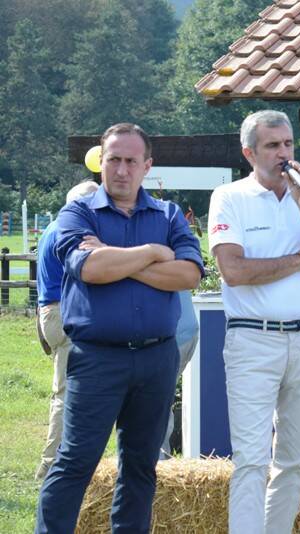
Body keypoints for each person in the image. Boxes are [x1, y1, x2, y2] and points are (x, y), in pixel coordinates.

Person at [35, 123, 203, 533]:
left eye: (131, 161)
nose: (122, 170)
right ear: (102, 163)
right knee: (75, 462)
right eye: (114, 160)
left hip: (156, 358)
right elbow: (89, 268)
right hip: (97, 359)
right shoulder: (77, 213)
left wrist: (120, 263)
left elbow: (189, 275)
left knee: (141, 467)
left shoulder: (167, 214)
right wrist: (150, 253)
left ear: (147, 166)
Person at [208, 110, 300, 534]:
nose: (284, 155)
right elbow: (234, 272)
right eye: (272, 146)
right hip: (253, 339)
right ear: (249, 152)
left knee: (292, 460)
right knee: (250, 459)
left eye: (288, 144)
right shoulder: (229, 196)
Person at [34, 180, 99, 482]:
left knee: (65, 390)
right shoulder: (70, 232)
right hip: (64, 313)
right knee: (66, 393)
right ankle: (52, 464)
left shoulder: (52, 227)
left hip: (49, 312)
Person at [159, 289, 199, 459]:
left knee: (150, 409)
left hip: (169, 334)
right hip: (183, 330)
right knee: (157, 406)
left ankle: (157, 469)